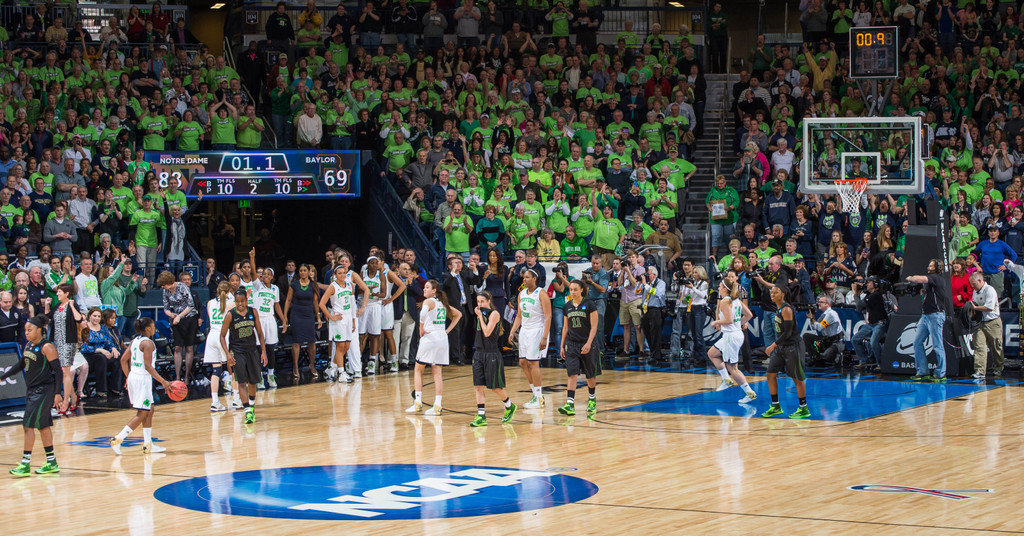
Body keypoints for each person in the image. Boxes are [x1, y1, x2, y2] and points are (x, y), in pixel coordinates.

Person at [2, 315, 65, 475]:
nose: (27, 333)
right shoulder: (29, 345)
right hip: (32, 390)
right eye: (25, 330)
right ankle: (51, 462)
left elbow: (58, 371)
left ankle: (25, 463)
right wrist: (3, 376)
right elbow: (20, 364)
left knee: (27, 425)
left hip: (44, 390)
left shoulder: (47, 347)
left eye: (30, 330)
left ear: (39, 330)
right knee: (43, 426)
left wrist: (58, 393)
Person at [108, 317, 170, 455]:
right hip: (142, 379)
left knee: (150, 409)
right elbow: (148, 367)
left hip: (134, 377)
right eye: (153, 326)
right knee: (142, 412)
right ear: (148, 328)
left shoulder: (135, 340)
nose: (154, 328)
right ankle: (118, 439)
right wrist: (163, 381)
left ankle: (148, 444)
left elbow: (123, 360)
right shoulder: (148, 343)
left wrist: (128, 376)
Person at [406, 279, 462, 416]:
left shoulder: (428, 302)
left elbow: (423, 314)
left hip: (430, 337)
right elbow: (459, 314)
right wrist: (447, 331)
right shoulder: (442, 304)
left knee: (418, 369)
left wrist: (421, 328)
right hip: (442, 338)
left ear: (434, 291)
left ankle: (418, 402)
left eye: (427, 287)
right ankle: (437, 405)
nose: (424, 289)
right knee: (437, 372)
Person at [761, 284, 810, 419]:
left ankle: (803, 408)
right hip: (781, 347)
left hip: (792, 346)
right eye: (772, 292)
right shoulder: (777, 308)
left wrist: (773, 345)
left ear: (782, 294)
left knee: (797, 378)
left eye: (776, 292)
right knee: (770, 374)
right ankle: (776, 406)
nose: (772, 294)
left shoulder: (786, 309)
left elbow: (788, 332)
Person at [220, 288, 268, 425]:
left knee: (253, 381)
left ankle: (251, 406)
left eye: (242, 301)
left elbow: (260, 333)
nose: (240, 304)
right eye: (237, 301)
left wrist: (263, 351)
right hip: (237, 351)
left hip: (252, 350)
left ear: (246, 301)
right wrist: (228, 354)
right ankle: (247, 411)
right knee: (241, 382)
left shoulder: (253, 312)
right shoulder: (230, 315)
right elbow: (222, 336)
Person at [470, 291, 517, 426]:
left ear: (488, 301)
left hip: (491, 354)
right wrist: (479, 316)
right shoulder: (481, 314)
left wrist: (479, 316)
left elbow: (487, 332)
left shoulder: (494, 314)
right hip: (478, 353)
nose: (480, 304)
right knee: (478, 386)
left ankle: (509, 406)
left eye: (482, 302)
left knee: (495, 387)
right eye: (478, 302)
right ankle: (481, 416)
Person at [707, 278, 757, 403]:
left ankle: (749, 392)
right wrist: (739, 324)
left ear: (725, 289)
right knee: (712, 353)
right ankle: (726, 380)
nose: (718, 288)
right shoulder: (736, 300)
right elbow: (749, 315)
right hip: (733, 334)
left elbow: (728, 320)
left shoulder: (725, 302)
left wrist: (716, 322)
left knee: (733, 368)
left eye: (719, 286)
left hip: (731, 337)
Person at [509, 268, 552, 409]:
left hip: (537, 331)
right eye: (523, 278)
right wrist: (512, 331)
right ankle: (535, 393)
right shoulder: (521, 293)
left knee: (533, 363)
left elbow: (548, 316)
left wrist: (545, 337)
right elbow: (519, 316)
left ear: (535, 278)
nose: (524, 280)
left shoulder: (541, 293)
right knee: (522, 362)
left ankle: (539, 397)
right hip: (525, 331)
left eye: (527, 277)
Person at [557, 279, 600, 416]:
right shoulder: (567, 306)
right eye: (571, 290)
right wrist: (562, 346)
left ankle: (592, 399)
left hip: (587, 343)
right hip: (572, 343)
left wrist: (588, 343)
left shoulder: (590, 304)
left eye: (575, 289)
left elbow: (594, 327)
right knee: (572, 373)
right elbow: (565, 327)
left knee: (590, 374)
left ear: (582, 290)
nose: (573, 292)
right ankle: (570, 403)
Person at [906, 258, 953, 382]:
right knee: (917, 342)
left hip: (935, 315)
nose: (929, 267)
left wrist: (911, 277)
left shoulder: (937, 277)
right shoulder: (932, 281)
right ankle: (923, 371)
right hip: (926, 315)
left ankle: (941, 373)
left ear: (937, 268)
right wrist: (924, 292)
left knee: (937, 345)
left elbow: (918, 279)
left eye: (931, 265)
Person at [319, 265, 364, 383]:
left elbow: (352, 304)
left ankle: (331, 368)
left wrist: (354, 321)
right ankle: (341, 372)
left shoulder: (350, 285)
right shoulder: (332, 287)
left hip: (349, 318)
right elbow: (322, 304)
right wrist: (330, 317)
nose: (342, 275)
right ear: (334, 275)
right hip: (338, 320)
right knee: (340, 347)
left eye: (344, 273)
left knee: (346, 347)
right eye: (339, 273)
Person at [282, 264, 322, 380]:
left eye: (305, 270)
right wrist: (285, 315)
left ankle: (312, 365)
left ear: (309, 271)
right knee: (296, 342)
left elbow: (315, 301)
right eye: (301, 271)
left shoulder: (313, 285)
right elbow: (289, 300)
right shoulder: (294, 285)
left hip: (309, 315)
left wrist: (318, 316)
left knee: (312, 341)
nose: (303, 272)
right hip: (297, 315)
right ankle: (295, 367)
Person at [158, 271, 198, 384]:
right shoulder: (165, 291)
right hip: (176, 319)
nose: (162, 286)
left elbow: (191, 305)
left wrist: (180, 316)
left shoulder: (182, 287)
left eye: (163, 284)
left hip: (189, 318)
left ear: (169, 282)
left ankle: (186, 376)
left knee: (189, 347)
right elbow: (165, 307)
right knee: (177, 348)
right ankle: (177, 376)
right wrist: (170, 314)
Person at [51, 283, 84, 411]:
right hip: (57, 342)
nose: (57, 294)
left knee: (66, 372)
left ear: (66, 294)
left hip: (68, 342)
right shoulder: (57, 306)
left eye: (59, 292)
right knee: (63, 371)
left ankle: (66, 401)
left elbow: (78, 319)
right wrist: (47, 305)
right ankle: (74, 397)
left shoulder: (72, 305)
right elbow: (49, 318)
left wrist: (71, 305)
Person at [203, 282, 233, 411]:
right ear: (228, 292)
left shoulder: (209, 303)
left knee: (216, 370)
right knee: (234, 368)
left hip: (212, 336)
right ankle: (237, 399)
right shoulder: (231, 303)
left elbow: (211, 318)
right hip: (223, 336)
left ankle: (215, 401)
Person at [968, 272, 1003, 378]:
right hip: (980, 322)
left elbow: (989, 307)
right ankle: (980, 371)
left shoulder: (990, 290)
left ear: (980, 280)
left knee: (996, 346)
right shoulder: (975, 291)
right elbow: (974, 304)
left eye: (973, 284)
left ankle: (998, 368)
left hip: (993, 322)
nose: (972, 286)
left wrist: (976, 309)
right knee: (979, 346)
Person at [851, 278, 889, 370]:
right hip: (871, 325)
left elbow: (859, 306)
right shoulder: (869, 295)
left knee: (873, 341)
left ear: (875, 284)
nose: (866, 284)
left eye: (868, 282)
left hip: (880, 324)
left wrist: (855, 294)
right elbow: (860, 309)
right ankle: (864, 361)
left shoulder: (877, 295)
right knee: (855, 339)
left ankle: (880, 363)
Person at [802, 295, 844, 366]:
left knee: (826, 357)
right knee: (806, 336)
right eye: (818, 302)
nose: (819, 303)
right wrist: (812, 318)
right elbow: (814, 327)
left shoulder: (831, 314)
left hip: (836, 341)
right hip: (826, 339)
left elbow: (820, 327)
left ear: (827, 304)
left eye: (821, 302)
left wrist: (812, 319)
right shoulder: (823, 315)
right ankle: (814, 357)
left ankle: (837, 356)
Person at [639, 265, 667, 364]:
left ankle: (656, 355)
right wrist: (640, 284)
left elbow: (657, 293)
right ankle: (652, 353)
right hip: (646, 309)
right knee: (647, 332)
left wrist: (645, 284)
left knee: (655, 333)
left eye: (648, 274)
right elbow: (637, 292)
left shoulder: (661, 283)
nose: (647, 276)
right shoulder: (646, 283)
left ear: (654, 275)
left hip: (656, 309)